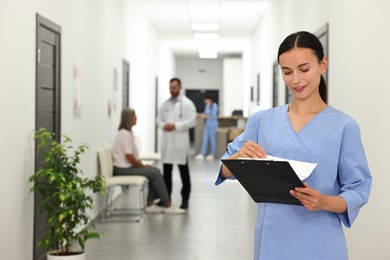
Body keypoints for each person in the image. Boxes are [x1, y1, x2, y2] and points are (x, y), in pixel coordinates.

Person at [215, 31, 372, 260]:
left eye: (304, 69)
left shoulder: (344, 126)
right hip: (272, 239)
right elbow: (224, 169)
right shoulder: (262, 121)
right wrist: (238, 157)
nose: (295, 80)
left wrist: (323, 201)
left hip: (320, 240)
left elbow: (358, 189)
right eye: (287, 72)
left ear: (323, 64)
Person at [112, 108, 185, 214]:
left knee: (154, 171)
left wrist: (143, 166)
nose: (136, 118)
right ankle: (168, 205)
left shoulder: (128, 133)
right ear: (129, 119)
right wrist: (142, 166)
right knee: (154, 172)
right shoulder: (124, 134)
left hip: (126, 167)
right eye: (134, 116)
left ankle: (150, 204)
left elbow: (131, 157)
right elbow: (129, 157)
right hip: (122, 170)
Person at [157, 78, 196, 209]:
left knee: (184, 173)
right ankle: (165, 198)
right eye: (170, 87)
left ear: (180, 87)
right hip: (167, 142)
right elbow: (158, 120)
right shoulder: (165, 104)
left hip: (180, 143)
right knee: (166, 173)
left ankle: (185, 199)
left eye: (174, 87)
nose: (172, 90)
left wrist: (176, 125)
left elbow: (192, 121)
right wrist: (164, 125)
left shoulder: (187, 104)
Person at [194, 95, 219, 160]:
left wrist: (204, 115)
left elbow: (212, 116)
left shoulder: (214, 105)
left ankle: (212, 154)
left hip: (213, 125)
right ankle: (202, 154)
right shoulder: (207, 106)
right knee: (204, 139)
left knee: (212, 140)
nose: (205, 101)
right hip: (207, 125)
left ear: (209, 99)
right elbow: (205, 114)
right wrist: (200, 115)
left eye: (206, 100)